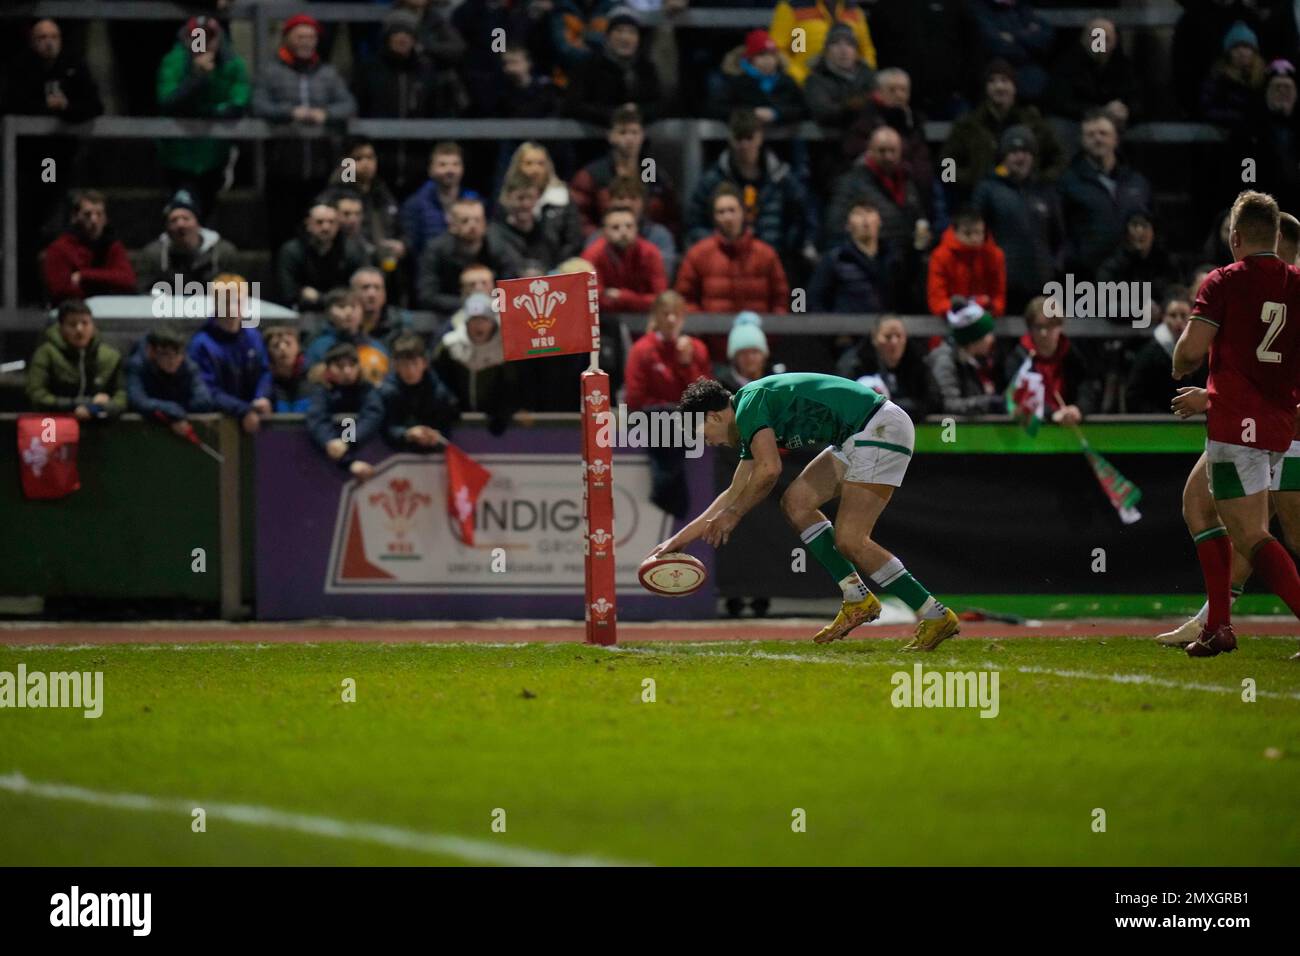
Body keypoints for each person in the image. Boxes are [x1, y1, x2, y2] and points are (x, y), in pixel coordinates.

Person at [656, 373, 961, 649]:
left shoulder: (750, 404)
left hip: (877, 428)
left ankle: (933, 613)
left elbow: (769, 470)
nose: (709, 441)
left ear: (712, 416)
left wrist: (734, 515)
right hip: (859, 433)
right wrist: (678, 542)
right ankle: (857, 597)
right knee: (796, 504)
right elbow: (732, 493)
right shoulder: (749, 412)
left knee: (851, 540)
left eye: (704, 432)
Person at [1170, 190, 1300, 657]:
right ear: (1278, 235)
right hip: (1280, 425)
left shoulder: (1224, 280)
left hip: (1235, 426)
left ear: (1236, 236)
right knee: (1203, 508)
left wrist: (1181, 364)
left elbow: (1189, 348)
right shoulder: (1296, 283)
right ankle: (1218, 625)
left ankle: (1220, 625)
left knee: (1251, 534)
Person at [252, 14, 357, 251]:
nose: (306, 42)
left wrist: (325, 114)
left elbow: (348, 105)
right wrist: (291, 112)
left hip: (321, 169)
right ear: (287, 38)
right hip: (281, 169)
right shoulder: (270, 72)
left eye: (311, 37)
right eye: (300, 36)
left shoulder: (327, 73)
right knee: (282, 235)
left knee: (322, 234)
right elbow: (259, 105)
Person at [686, 109, 818, 283]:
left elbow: (804, 217)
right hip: (724, 262)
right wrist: (720, 244)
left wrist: (791, 245)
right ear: (730, 139)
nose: (744, 145)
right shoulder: (713, 180)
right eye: (739, 139)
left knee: (796, 284)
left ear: (760, 137)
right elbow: (693, 225)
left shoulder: (782, 179)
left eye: (749, 138)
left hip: (774, 261)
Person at [155, 15, 250, 216]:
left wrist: (208, 112)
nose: (203, 44)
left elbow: (238, 103)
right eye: (197, 38)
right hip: (177, 155)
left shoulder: (232, 64)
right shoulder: (174, 61)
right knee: (179, 214)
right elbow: (168, 102)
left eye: (209, 38)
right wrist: (197, 78)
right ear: (188, 39)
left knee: (208, 213)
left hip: (215, 154)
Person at [940, 59, 1064, 203]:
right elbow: (946, 163)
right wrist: (968, 180)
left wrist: (1039, 180)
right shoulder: (967, 124)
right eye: (992, 81)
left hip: (1026, 201)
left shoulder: (1033, 122)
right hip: (979, 203)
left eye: (1004, 80)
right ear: (986, 88)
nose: (999, 86)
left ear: (1014, 87)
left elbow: (1059, 159)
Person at [971, 125, 1064, 315]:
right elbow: (975, 235)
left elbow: (1059, 237)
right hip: (1001, 286)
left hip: (1041, 285)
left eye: (1025, 152)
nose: (1020, 157)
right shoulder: (987, 189)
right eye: (1013, 151)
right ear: (1004, 156)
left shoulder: (1045, 191)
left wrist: (1054, 266)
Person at [1058, 110, 1153, 280]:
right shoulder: (1067, 183)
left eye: (1103, 133)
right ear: (1082, 141)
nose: (1098, 139)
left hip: (1133, 280)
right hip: (1086, 282)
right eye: (1091, 134)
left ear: (1115, 139)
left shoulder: (1136, 182)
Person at [675, 185, 790, 322]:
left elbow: (781, 299)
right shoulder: (698, 254)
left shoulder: (766, 254)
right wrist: (702, 329)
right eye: (721, 212)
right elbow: (685, 299)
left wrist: (769, 333)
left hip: (757, 339)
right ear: (714, 218)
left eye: (732, 210)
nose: (728, 217)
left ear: (743, 213)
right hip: (711, 339)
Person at [570, 104, 678, 237]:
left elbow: (666, 213)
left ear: (642, 136)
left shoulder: (648, 168)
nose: (629, 138)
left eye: (634, 132)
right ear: (611, 136)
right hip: (606, 239)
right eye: (623, 132)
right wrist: (606, 235)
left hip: (646, 239)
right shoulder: (594, 174)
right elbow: (579, 218)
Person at [187, 274, 273, 434]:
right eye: (227, 302)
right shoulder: (201, 344)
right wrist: (243, 410)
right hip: (218, 425)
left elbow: (264, 372)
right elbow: (207, 390)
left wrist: (262, 397)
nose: (233, 308)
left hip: (254, 420)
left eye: (238, 302)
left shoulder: (253, 337)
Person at [825, 126, 930, 251]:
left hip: (904, 257)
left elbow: (919, 217)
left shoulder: (907, 181)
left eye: (893, 151)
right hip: (869, 257)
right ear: (870, 151)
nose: (888, 157)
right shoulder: (852, 182)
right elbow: (835, 226)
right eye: (882, 151)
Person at [1003, 296, 1100, 426]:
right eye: (1038, 327)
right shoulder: (1019, 359)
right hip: (1032, 429)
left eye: (1049, 326)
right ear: (1030, 328)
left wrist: (1079, 409)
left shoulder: (1074, 355)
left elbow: (1088, 387)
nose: (1043, 333)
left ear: (1060, 326)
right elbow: (1017, 397)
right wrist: (1052, 413)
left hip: (1070, 426)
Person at [416, 197, 523, 314]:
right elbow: (427, 296)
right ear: (452, 225)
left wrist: (491, 303)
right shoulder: (436, 250)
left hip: (494, 311)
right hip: (449, 313)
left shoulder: (498, 247)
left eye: (477, 220)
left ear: (485, 223)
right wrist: (471, 304)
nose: (472, 226)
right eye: (465, 221)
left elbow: (512, 286)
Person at [432, 292, 518, 435]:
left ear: (493, 321)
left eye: (484, 319)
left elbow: (515, 384)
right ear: (466, 322)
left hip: (497, 424)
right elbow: (438, 380)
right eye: (474, 319)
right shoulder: (450, 345)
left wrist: (505, 410)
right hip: (459, 422)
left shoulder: (507, 347)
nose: (478, 325)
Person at [26, 300, 125, 421]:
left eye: (85, 323)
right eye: (72, 324)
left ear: (93, 325)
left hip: (99, 425)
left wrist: (96, 408)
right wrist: (79, 404)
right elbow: (37, 395)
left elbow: (121, 396)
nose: (79, 329)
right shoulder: (46, 354)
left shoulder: (110, 357)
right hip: (55, 425)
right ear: (61, 327)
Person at [562, 6, 662, 125]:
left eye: (631, 32)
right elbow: (573, 105)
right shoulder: (588, 66)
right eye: (619, 31)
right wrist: (614, 114)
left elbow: (659, 105)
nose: (625, 38)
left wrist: (637, 112)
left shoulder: (646, 68)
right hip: (595, 139)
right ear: (608, 36)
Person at [305, 343, 384, 480]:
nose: (347, 371)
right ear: (328, 369)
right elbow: (317, 420)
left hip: (368, 454)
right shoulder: (321, 390)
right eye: (340, 366)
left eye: (352, 365)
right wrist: (332, 445)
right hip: (328, 467)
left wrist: (346, 441)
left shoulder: (366, 388)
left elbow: (372, 415)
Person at [136, 190, 241, 292]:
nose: (180, 225)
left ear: (198, 224)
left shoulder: (223, 252)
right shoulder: (153, 255)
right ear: (167, 227)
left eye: (186, 218)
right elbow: (143, 291)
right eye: (173, 220)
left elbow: (237, 289)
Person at [42, 190, 138, 303]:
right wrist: (107, 284)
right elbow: (60, 290)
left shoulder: (113, 246)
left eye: (99, 214)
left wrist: (84, 275)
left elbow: (128, 280)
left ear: (106, 218)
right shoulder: (59, 248)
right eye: (87, 215)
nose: (94, 220)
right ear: (75, 217)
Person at [808, 201, 904, 313]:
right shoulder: (836, 259)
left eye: (869, 212)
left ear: (879, 220)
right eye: (858, 213)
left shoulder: (893, 259)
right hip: (847, 327)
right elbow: (814, 300)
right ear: (848, 225)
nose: (865, 219)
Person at [624, 290, 712, 412]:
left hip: (689, 423)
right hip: (651, 421)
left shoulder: (697, 348)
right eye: (665, 313)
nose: (671, 319)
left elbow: (706, 398)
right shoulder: (641, 349)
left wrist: (687, 365)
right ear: (655, 316)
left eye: (676, 313)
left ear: (684, 316)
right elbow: (634, 399)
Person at [275, 202, 369, 311]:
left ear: (338, 225)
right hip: (304, 312)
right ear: (308, 224)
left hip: (345, 310)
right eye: (319, 222)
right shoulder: (291, 251)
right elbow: (288, 293)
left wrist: (320, 298)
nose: (326, 227)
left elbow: (358, 291)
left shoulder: (352, 250)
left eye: (331, 222)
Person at [499, 142, 584, 262]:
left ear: (548, 166)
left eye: (540, 163)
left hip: (557, 267)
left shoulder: (562, 197)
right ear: (517, 166)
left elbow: (573, 241)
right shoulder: (506, 200)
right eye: (528, 163)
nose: (535, 169)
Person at [836, 315, 931, 421]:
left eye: (899, 336)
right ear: (875, 338)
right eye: (888, 337)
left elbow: (931, 400)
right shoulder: (855, 364)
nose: (894, 342)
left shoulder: (918, 362)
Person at [1125, 288, 1203, 414]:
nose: (1178, 321)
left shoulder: (1203, 348)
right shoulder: (1149, 353)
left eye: (1183, 316)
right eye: (1172, 315)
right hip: (1160, 423)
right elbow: (1134, 398)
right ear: (1163, 318)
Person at [379, 332, 461, 452]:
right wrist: (406, 434)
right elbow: (384, 427)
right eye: (404, 364)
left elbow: (448, 427)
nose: (410, 370)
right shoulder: (386, 392)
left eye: (415, 363)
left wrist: (436, 435)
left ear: (424, 363)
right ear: (396, 366)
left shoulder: (439, 393)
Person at [399, 142, 481, 260]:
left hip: (467, 268)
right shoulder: (415, 204)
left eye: (455, 164)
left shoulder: (475, 201)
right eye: (443, 165)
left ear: (462, 168)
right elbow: (411, 246)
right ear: (430, 169)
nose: (450, 170)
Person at [126, 327, 214, 436]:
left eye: (177, 354)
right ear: (151, 352)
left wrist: (174, 412)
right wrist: (171, 412)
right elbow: (137, 401)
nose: (172, 361)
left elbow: (204, 401)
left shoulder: (188, 366)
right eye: (165, 354)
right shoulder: (137, 366)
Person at [709, 29, 807, 125]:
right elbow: (717, 109)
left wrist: (777, 114)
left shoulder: (787, 81)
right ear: (751, 59)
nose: (768, 59)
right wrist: (751, 113)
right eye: (761, 54)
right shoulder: (737, 82)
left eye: (772, 54)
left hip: (786, 137)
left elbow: (803, 109)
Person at [925, 300, 1005, 415]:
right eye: (987, 334)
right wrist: (988, 403)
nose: (992, 339)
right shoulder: (944, 361)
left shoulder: (968, 360)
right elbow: (949, 405)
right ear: (973, 338)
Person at [582, 207, 667, 313]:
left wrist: (622, 297)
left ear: (637, 229)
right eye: (615, 227)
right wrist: (640, 300)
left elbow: (661, 300)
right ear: (604, 232)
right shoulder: (593, 254)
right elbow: (590, 300)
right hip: (604, 320)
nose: (623, 232)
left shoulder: (650, 253)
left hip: (644, 318)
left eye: (629, 226)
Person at [926, 208, 1007, 317]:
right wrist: (956, 307)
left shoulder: (995, 256)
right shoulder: (940, 256)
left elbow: (998, 298)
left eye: (979, 232)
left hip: (986, 320)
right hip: (950, 320)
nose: (974, 239)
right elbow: (937, 301)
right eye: (967, 233)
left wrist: (990, 306)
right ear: (955, 232)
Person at [771, 3, 876, 87]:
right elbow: (777, 48)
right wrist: (798, 76)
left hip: (850, 86)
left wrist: (864, 78)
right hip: (804, 85)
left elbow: (866, 49)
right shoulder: (793, 6)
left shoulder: (853, 9)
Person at [715, 311, 773, 394]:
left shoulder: (775, 385)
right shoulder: (722, 389)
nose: (750, 357)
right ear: (734, 358)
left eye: (755, 351)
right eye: (743, 353)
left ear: (764, 354)